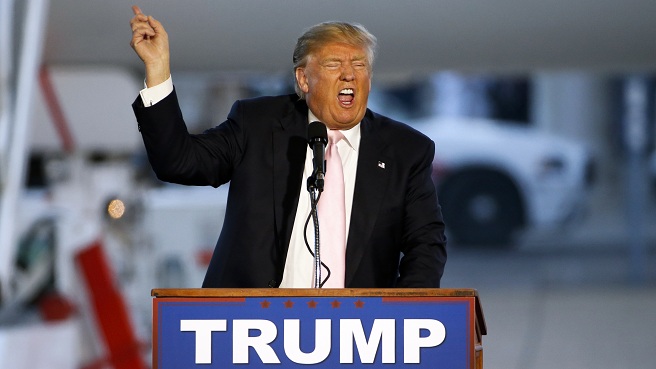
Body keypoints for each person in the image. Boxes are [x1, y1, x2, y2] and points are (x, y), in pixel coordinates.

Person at [129, 5, 447, 288]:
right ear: (304, 79)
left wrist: (407, 310)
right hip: (248, 325)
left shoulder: (406, 150)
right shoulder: (257, 124)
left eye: (360, 65)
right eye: (335, 64)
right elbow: (178, 162)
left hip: (356, 332)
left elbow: (426, 244)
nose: (350, 74)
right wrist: (158, 71)